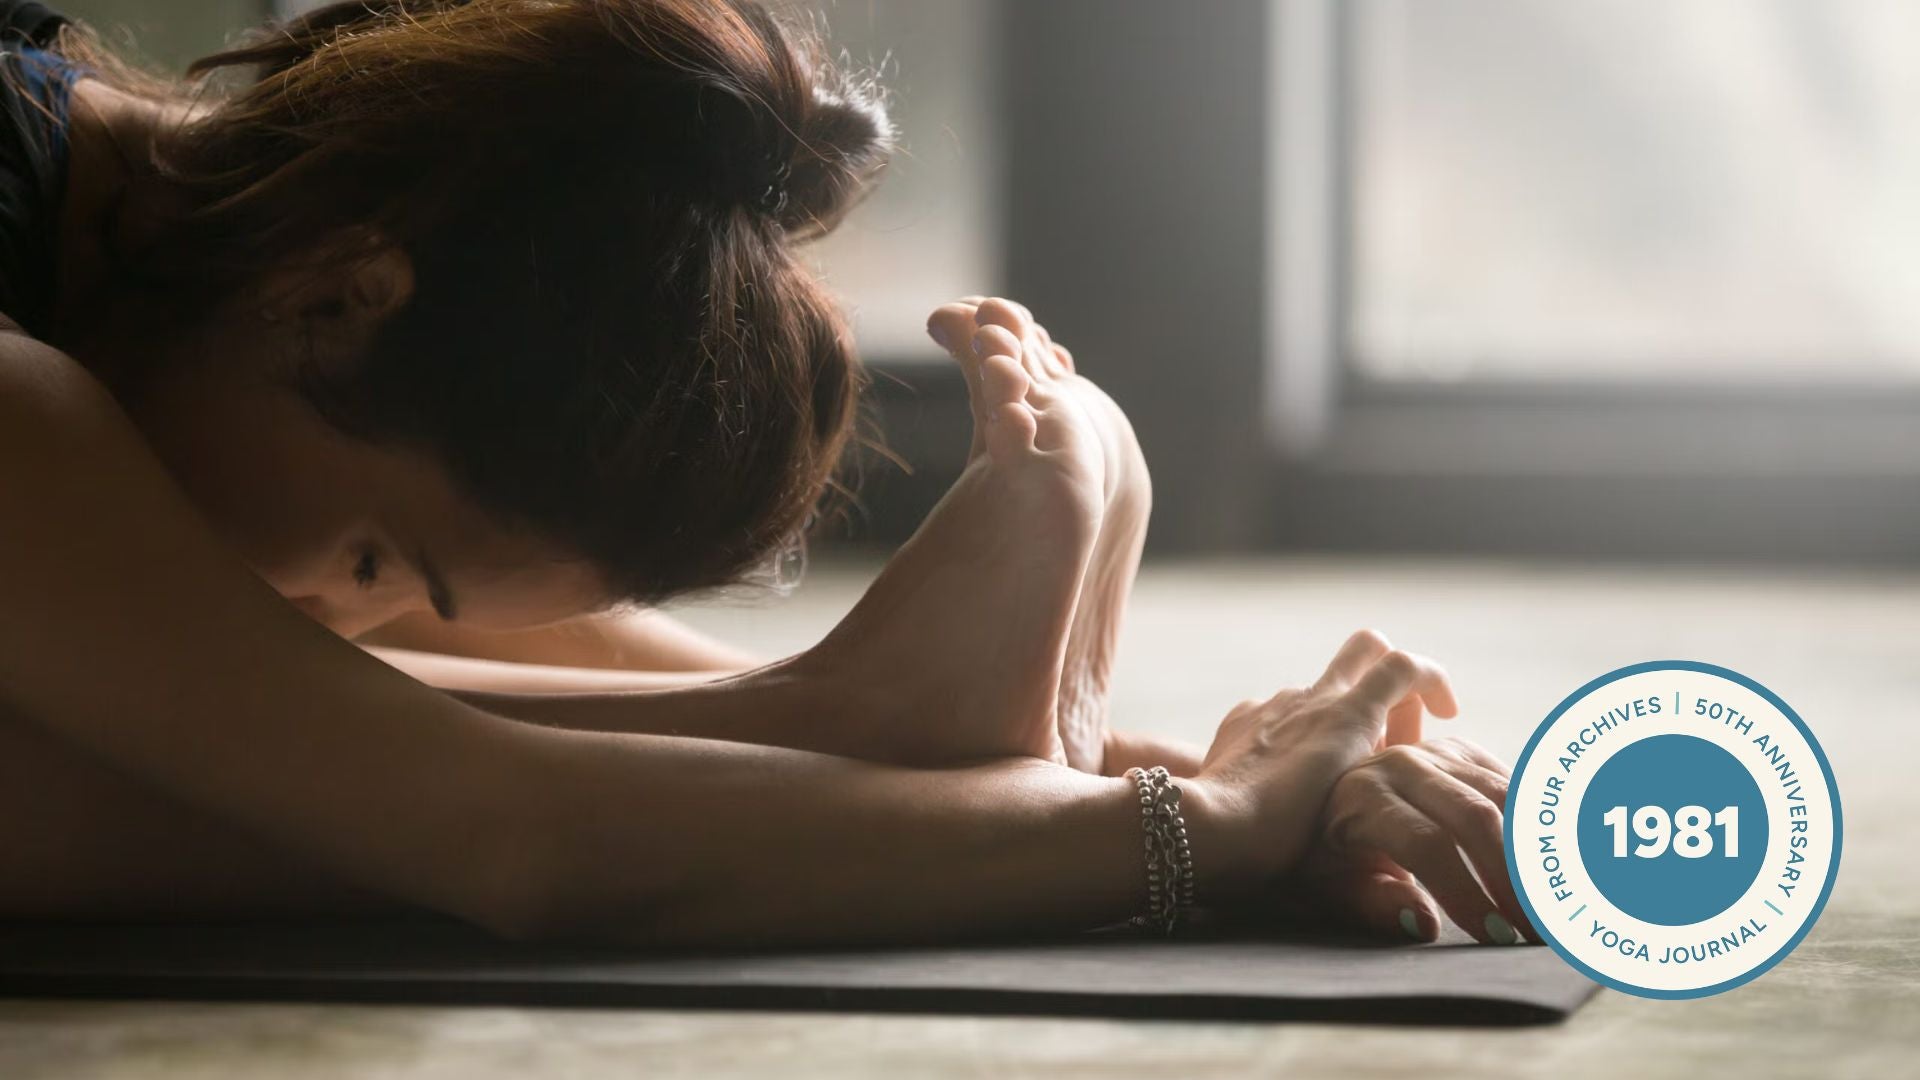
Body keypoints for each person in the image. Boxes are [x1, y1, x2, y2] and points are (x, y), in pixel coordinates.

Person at [0, 0, 1531, 948]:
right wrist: (1209, 838)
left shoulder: (185, 227)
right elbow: (500, 829)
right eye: (380, 560)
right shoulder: (33, 400)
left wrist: (1165, 771)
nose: (339, 614)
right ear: (342, 293)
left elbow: (271, 699)